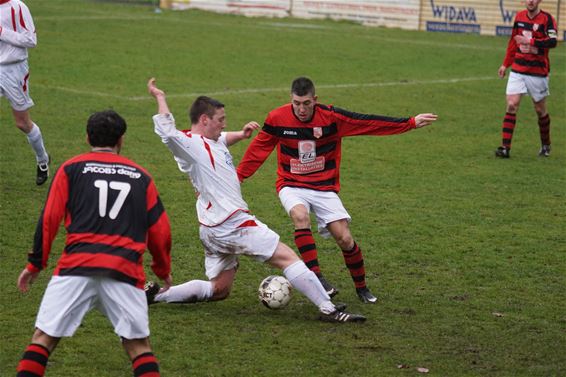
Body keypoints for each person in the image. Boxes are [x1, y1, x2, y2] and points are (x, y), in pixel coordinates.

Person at [146, 78, 365, 323]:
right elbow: (167, 132)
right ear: (205, 120)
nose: (224, 124)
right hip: (233, 223)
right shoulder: (189, 145)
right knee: (288, 258)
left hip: (210, 228)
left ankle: (155, 296)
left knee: (219, 289)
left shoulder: (209, 139)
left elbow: (220, 139)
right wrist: (160, 97)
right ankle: (329, 309)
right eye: (221, 120)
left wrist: (240, 134)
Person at [237, 77, 437, 304]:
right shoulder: (277, 118)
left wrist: (409, 122)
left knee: (344, 238)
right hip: (291, 184)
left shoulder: (332, 118)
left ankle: (362, 287)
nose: (301, 109)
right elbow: (258, 150)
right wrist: (237, 178)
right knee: (300, 216)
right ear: (290, 100)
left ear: (315, 100)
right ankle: (316, 276)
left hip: (324, 187)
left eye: (306, 103)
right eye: (296, 103)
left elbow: (369, 123)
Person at [15, 110, 172, 377]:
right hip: (124, 270)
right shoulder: (141, 177)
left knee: (43, 339)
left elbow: (49, 219)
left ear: (87, 137)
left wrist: (35, 264)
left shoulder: (71, 168)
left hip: (77, 266)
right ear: (121, 140)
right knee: (138, 346)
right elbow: (161, 230)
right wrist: (162, 269)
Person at [495, 0, 557, 158]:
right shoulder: (519, 17)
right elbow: (513, 42)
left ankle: (546, 145)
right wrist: (505, 64)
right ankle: (505, 148)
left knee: (540, 110)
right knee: (511, 104)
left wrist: (530, 42)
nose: (530, 1)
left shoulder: (547, 19)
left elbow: (553, 41)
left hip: (538, 72)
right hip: (518, 69)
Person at [0, 0, 50, 185]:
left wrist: (2, 32)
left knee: (22, 123)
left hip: (14, 70)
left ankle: (42, 160)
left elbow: (31, 40)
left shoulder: (18, 7)